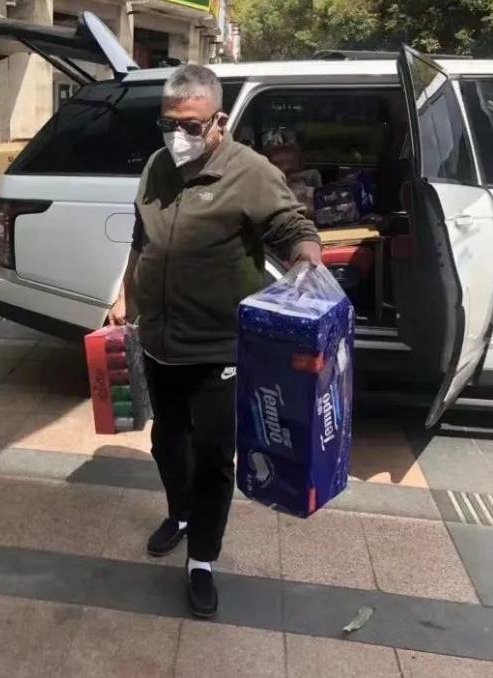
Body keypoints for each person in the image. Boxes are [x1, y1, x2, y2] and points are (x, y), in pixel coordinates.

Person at [109, 64, 321, 618]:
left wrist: (307, 260)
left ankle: (202, 558)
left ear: (218, 121)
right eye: (169, 123)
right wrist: (125, 295)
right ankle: (180, 514)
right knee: (166, 442)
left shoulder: (248, 171)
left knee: (212, 456)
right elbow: (141, 238)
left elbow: (292, 226)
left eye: (191, 125)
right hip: (159, 341)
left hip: (218, 348)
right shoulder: (157, 167)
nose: (178, 135)